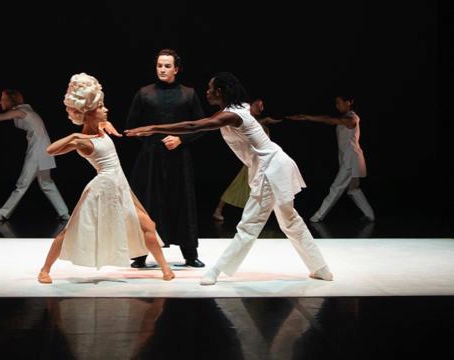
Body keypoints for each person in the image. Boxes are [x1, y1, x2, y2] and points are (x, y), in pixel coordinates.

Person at [126, 72, 333, 285]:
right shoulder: (236, 109)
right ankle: (321, 269)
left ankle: (215, 272)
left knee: (250, 225)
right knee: (290, 220)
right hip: (272, 165)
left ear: (220, 91)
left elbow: (193, 126)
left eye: (210, 88)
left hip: (271, 168)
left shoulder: (232, 115)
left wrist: (153, 127)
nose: (207, 91)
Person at [37, 73, 175, 284]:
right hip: (102, 189)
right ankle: (45, 270)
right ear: (89, 113)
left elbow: (103, 127)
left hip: (120, 185)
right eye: (101, 107)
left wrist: (103, 124)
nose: (106, 109)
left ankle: (165, 269)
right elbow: (50, 150)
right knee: (70, 231)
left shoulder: (100, 129)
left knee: (149, 225)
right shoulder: (83, 140)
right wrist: (74, 136)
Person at [126, 49, 205, 268]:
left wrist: (181, 139)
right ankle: (140, 254)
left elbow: (201, 126)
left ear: (176, 69)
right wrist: (150, 141)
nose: (162, 69)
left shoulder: (188, 94)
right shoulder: (144, 93)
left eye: (167, 66)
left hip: (179, 157)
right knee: (148, 202)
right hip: (151, 159)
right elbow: (132, 126)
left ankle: (190, 254)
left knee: (183, 202)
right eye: (160, 65)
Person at [0, 89, 70, 221]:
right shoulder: (24, 110)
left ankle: (2, 214)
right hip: (44, 148)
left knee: (23, 184)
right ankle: (64, 213)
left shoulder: (20, 111)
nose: (0, 102)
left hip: (38, 150)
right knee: (46, 183)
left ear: (10, 100)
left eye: (2, 99)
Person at [287, 95, 375, 222]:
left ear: (348, 102)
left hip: (352, 160)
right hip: (350, 159)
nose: (337, 106)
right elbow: (331, 120)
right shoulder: (346, 118)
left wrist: (307, 117)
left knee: (336, 188)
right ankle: (370, 215)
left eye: (339, 103)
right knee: (353, 190)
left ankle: (317, 217)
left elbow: (328, 119)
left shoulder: (352, 118)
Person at [213, 98, 282, 221]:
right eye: (259, 105)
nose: (261, 109)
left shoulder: (258, 122)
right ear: (251, 103)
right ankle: (219, 210)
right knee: (239, 185)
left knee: (263, 187)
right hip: (252, 160)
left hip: (263, 160)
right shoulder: (244, 116)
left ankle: (261, 214)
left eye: (263, 107)